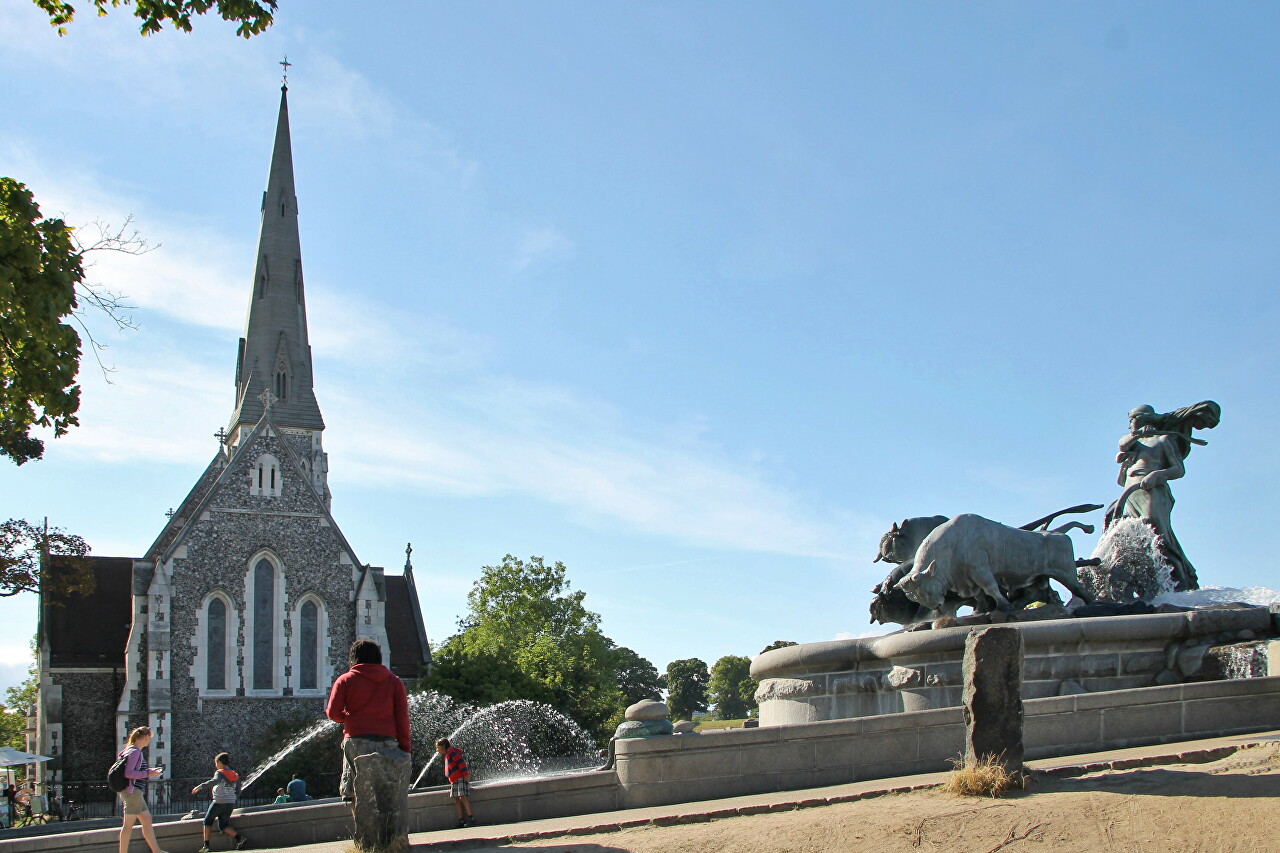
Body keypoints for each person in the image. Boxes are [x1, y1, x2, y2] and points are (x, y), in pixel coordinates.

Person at [1108, 401, 1220, 590]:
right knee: (1128, 535)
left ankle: (1179, 576)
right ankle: (1142, 579)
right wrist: (1136, 436)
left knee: (1156, 531)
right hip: (1130, 494)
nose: (1129, 424)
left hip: (1153, 492)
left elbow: (1178, 469)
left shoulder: (1164, 439)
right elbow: (1122, 445)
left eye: (1132, 420)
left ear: (1143, 418)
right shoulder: (1133, 442)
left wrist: (1158, 474)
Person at [325, 638, 411, 844]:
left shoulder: (346, 680)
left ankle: (366, 841)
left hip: (356, 741)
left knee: (355, 791)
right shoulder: (394, 681)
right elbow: (402, 718)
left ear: (354, 658)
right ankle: (391, 841)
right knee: (387, 791)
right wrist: (405, 748)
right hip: (388, 742)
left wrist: (348, 716)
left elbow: (333, 713)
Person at [116, 726, 166, 853]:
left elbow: (134, 771)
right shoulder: (135, 752)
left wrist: (150, 771)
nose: (150, 740)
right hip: (133, 792)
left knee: (147, 819)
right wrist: (148, 774)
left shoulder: (128, 750)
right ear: (145, 737)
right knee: (128, 826)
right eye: (149, 737)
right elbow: (129, 773)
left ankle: (156, 850)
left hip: (133, 792)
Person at [190, 752, 247, 852]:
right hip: (230, 803)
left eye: (216, 763)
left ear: (220, 762)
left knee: (207, 821)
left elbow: (215, 781)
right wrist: (233, 799)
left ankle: (206, 846)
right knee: (223, 825)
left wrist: (200, 786)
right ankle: (239, 838)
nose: (215, 765)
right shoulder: (235, 775)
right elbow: (238, 790)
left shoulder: (220, 772)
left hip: (219, 802)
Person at [435, 738, 474, 828]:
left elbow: (461, 763)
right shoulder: (447, 754)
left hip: (459, 778)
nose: (437, 750)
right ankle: (461, 820)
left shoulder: (452, 752)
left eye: (438, 748)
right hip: (454, 780)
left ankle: (471, 818)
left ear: (443, 746)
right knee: (456, 799)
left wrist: (466, 775)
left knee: (462, 797)